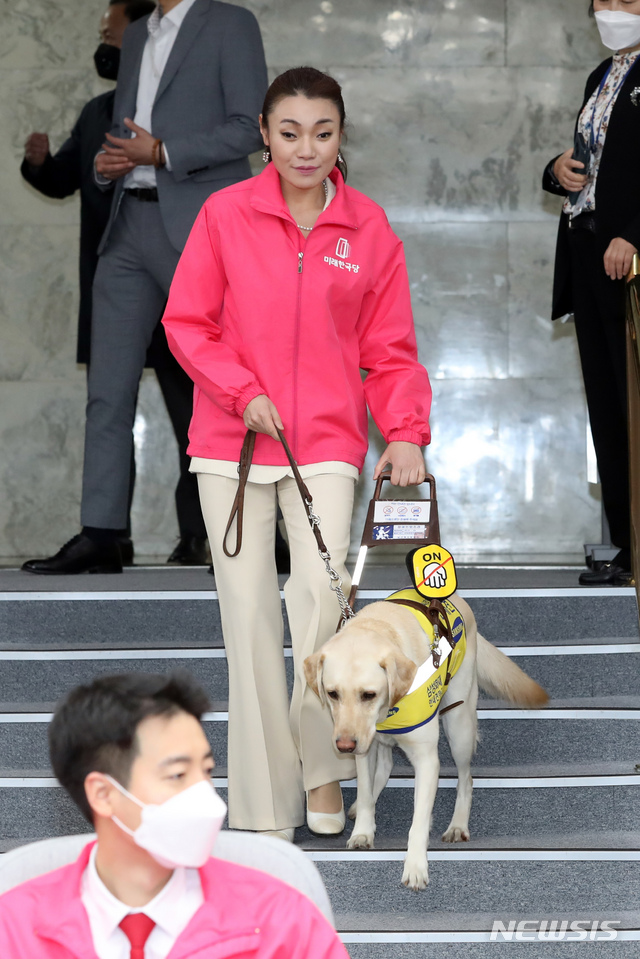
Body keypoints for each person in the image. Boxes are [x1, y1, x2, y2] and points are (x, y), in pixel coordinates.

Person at [162, 67, 432, 839]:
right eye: (289, 133)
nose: (306, 149)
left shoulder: (368, 229)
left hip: (326, 442)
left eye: (322, 132)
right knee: (245, 620)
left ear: (342, 134)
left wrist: (406, 429)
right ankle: (259, 802)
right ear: (263, 133)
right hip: (232, 442)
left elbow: (391, 349)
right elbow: (188, 323)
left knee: (318, 602)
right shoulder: (225, 214)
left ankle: (323, 771)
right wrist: (238, 389)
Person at [22, 0, 267, 575]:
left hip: (201, 225)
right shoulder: (136, 35)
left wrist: (161, 153)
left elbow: (248, 129)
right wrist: (111, 162)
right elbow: (124, 128)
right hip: (126, 225)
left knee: (229, 386)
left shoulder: (230, 23)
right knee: (107, 390)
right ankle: (102, 533)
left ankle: (249, 529)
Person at [0, 672, 349, 958]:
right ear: (103, 794)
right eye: (178, 775)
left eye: (207, 771)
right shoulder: (13, 931)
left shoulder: (280, 921)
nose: (205, 796)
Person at [543, 0, 638, 586]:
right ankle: (628, 547)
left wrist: (633, 232)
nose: (609, 11)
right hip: (587, 253)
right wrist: (557, 170)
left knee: (634, 405)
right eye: (600, 1)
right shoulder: (603, 74)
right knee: (608, 409)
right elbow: (597, 161)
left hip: (627, 258)